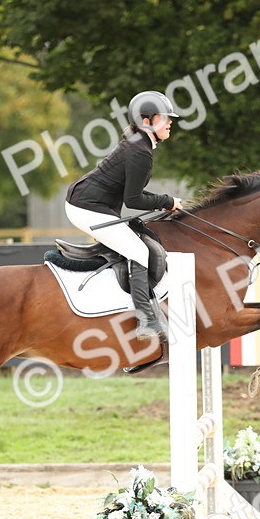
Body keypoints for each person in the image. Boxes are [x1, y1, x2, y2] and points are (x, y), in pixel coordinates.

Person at [65, 90, 184, 340]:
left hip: (91, 204)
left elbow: (132, 193)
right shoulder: (140, 151)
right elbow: (134, 200)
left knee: (136, 243)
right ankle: (146, 322)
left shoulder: (139, 144)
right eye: (164, 117)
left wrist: (166, 202)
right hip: (86, 207)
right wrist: (167, 201)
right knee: (138, 251)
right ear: (146, 121)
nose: (171, 121)